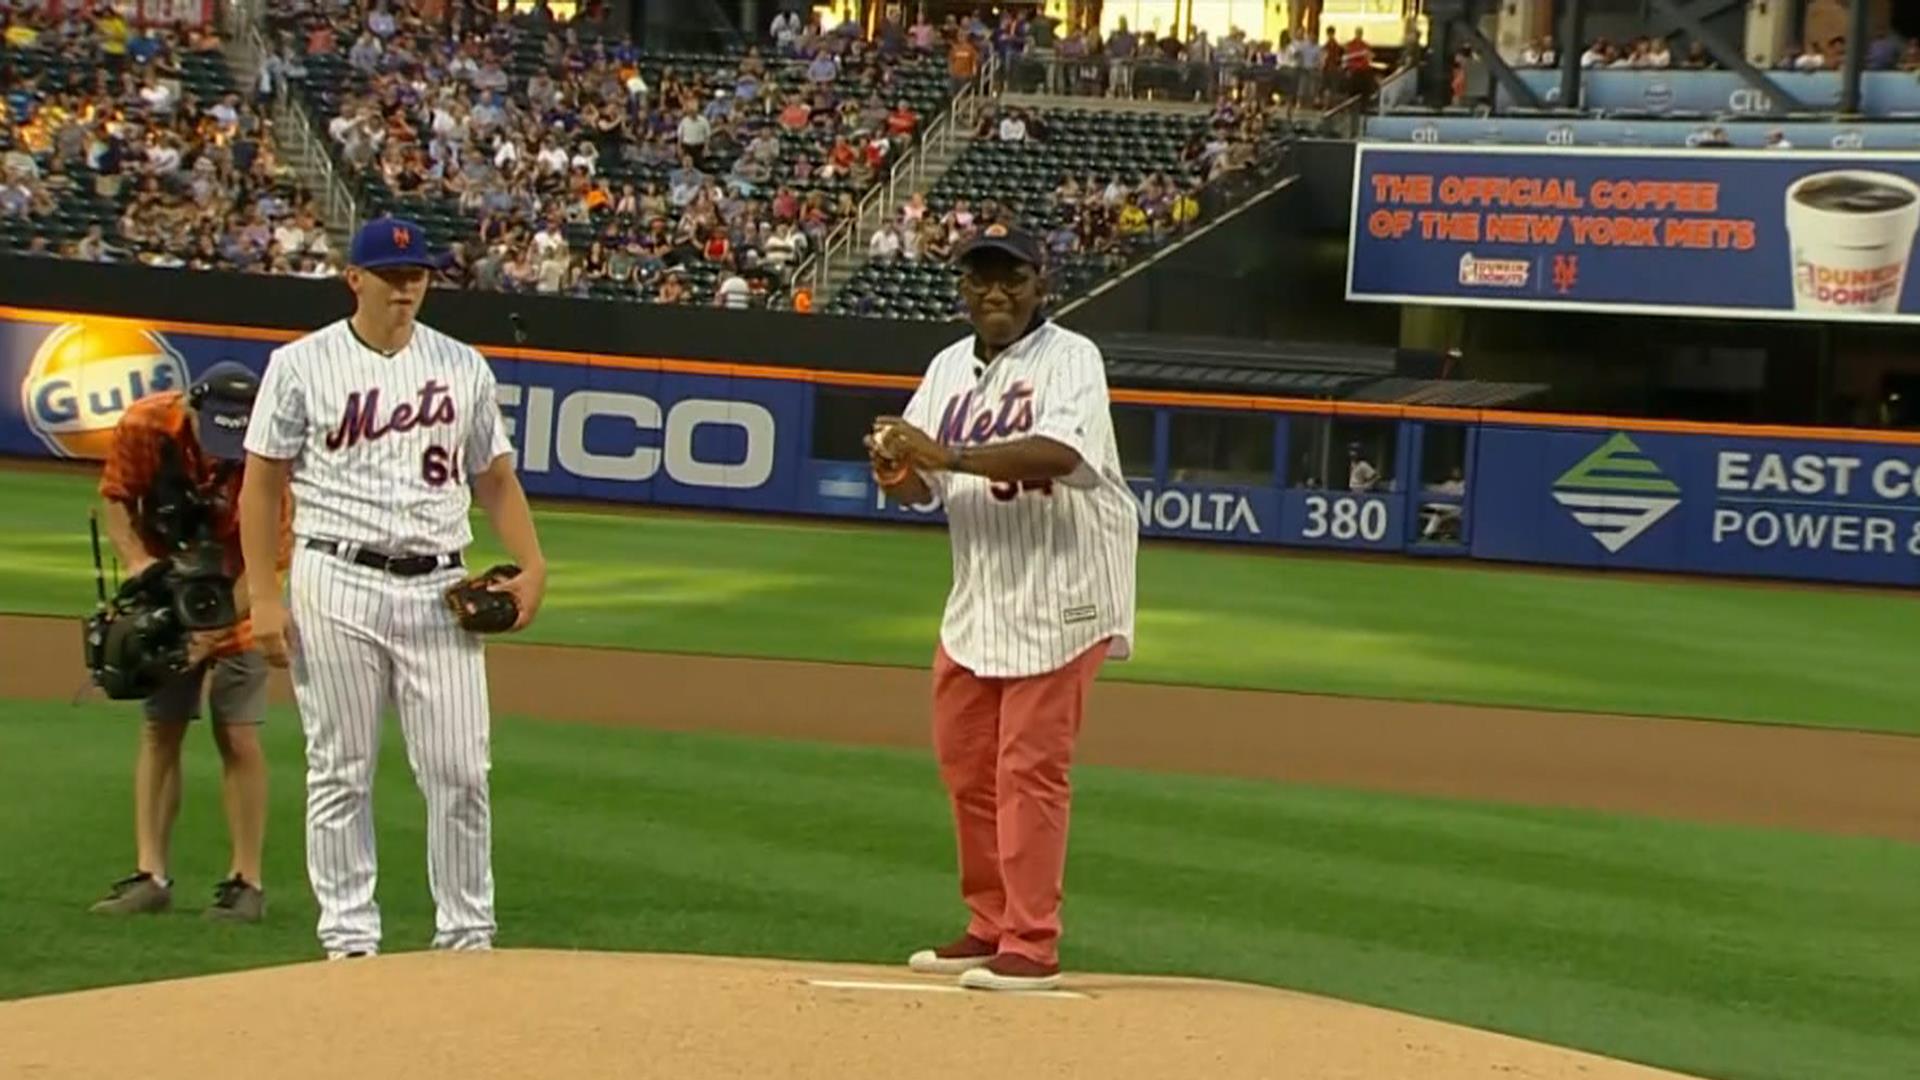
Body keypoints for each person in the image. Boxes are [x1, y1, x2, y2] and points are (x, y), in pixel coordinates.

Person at [237, 217, 549, 960]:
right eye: (392, 275)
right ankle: (349, 938)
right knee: (341, 768)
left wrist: (533, 563)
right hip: (334, 576)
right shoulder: (300, 365)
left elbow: (495, 477)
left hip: (439, 583)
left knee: (461, 771)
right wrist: (265, 593)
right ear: (356, 279)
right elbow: (260, 484)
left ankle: (467, 935)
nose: (407, 287)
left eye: (418, 276)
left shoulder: (463, 366)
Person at [865, 224, 1139, 992]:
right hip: (981, 595)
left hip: (1067, 591)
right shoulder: (947, 368)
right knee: (966, 767)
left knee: (1029, 768)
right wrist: (898, 470)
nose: (994, 291)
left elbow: (1060, 454)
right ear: (961, 288)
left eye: (1010, 278)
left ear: (1039, 284)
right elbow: (924, 484)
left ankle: (1031, 942)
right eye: (980, 278)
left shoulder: (1071, 358)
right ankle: (990, 923)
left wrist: (941, 454)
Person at [89, 362, 292, 922]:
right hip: (164, 591)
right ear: (191, 409)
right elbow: (114, 498)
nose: (225, 448)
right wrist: (138, 567)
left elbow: (268, 563)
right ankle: (149, 873)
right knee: (161, 730)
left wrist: (214, 630)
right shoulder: (145, 427)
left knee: (240, 737)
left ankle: (245, 881)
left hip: (240, 594)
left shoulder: (271, 451)